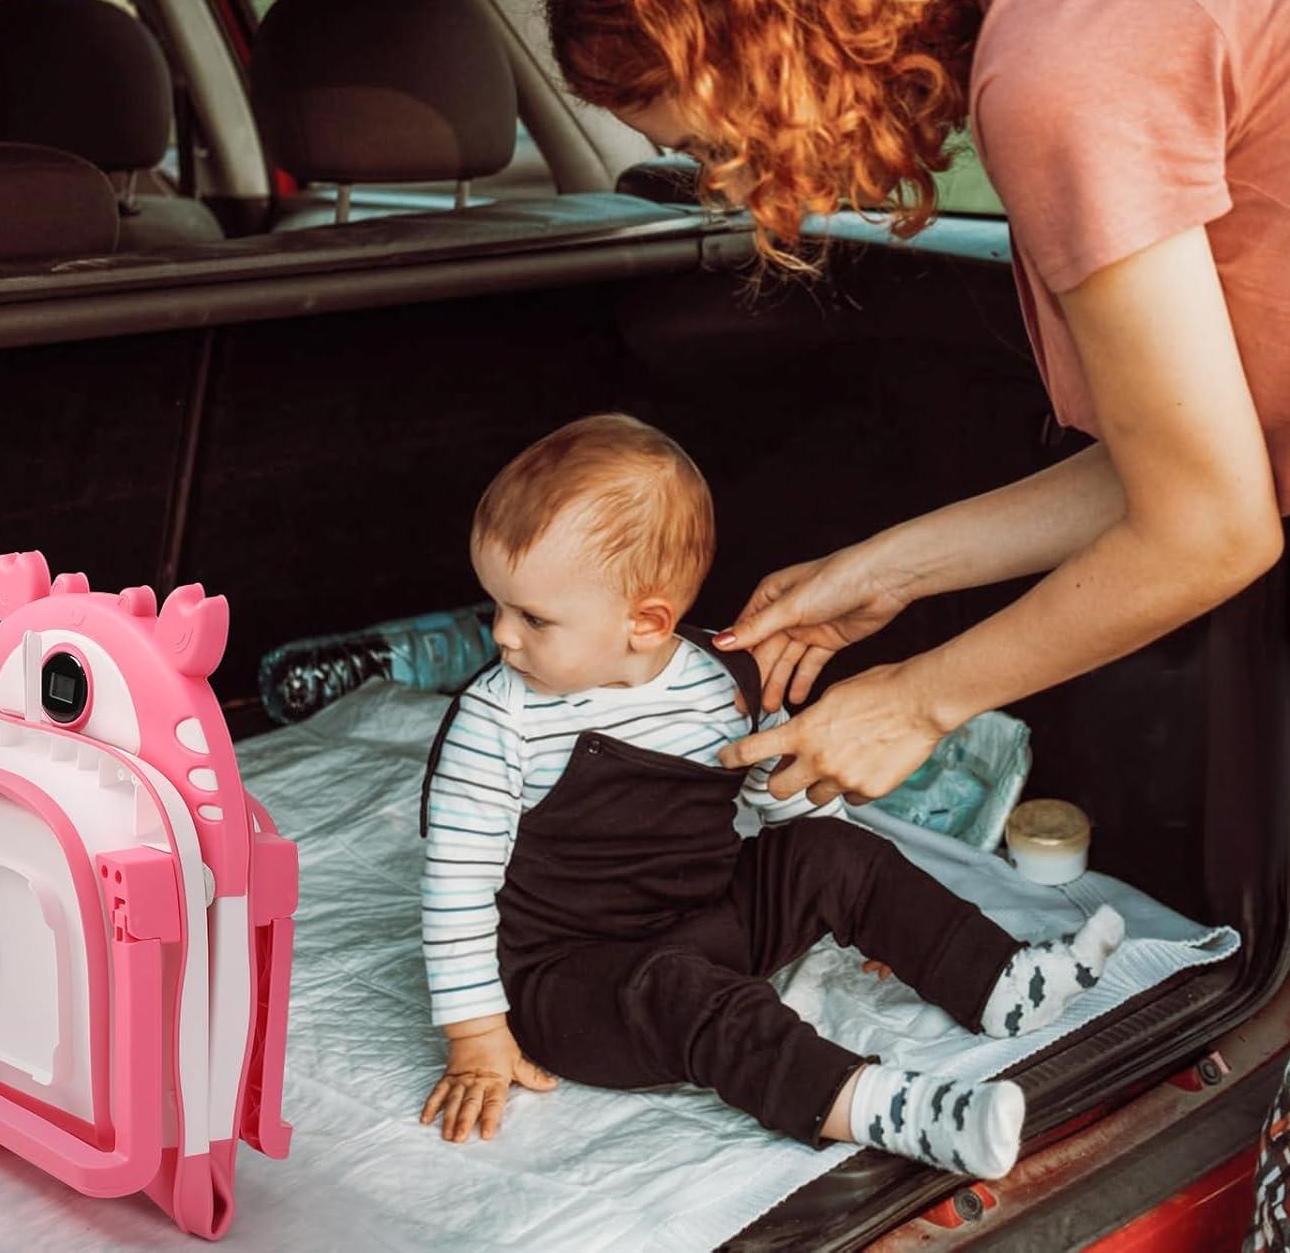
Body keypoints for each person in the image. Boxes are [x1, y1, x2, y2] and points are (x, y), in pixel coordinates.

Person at [541, 0, 1290, 1245]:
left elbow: (1215, 529)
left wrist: (921, 700)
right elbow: (1188, 459)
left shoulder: (1065, 65)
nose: (747, 177)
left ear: (771, 29)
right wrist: (889, 569)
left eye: (719, 133)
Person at [416, 412, 1123, 1176]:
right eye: (497, 605)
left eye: (532, 617)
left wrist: (885, 918)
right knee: (679, 990)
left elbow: (785, 787)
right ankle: (877, 1105)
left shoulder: (723, 682)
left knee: (834, 849)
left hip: (713, 921)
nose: (502, 636)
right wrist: (477, 1036)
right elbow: (457, 887)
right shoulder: (499, 720)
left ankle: (998, 980)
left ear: (646, 622)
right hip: (576, 982)